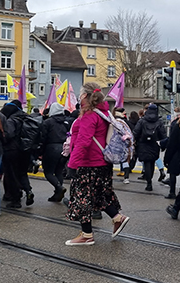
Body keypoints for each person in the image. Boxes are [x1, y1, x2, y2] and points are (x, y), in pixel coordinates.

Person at [64, 83, 130, 246]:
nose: (79, 98)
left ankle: (86, 234)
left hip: (89, 163)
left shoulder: (90, 115)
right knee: (98, 194)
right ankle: (117, 217)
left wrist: (72, 165)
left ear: (85, 96)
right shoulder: (104, 112)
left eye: (80, 95)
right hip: (103, 162)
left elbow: (83, 142)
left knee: (83, 198)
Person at [0, 99, 34, 208]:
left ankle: (16, 199)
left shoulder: (12, 120)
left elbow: (9, 134)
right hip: (25, 150)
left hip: (12, 150)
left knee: (11, 175)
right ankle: (28, 191)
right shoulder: (26, 117)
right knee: (22, 173)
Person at [39, 102, 71, 202]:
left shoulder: (48, 122)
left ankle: (59, 188)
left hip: (51, 148)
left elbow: (43, 137)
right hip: (63, 148)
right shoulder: (66, 122)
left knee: (48, 172)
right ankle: (57, 194)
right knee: (59, 171)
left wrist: (40, 151)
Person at [133, 104, 166, 191]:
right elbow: (163, 133)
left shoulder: (142, 120)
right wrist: (163, 144)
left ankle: (149, 183)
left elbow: (136, 132)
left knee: (146, 162)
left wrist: (134, 141)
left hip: (143, 144)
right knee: (152, 162)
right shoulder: (159, 121)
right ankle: (150, 179)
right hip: (154, 144)